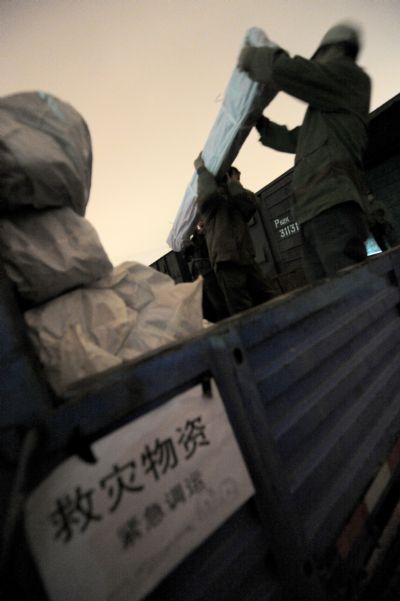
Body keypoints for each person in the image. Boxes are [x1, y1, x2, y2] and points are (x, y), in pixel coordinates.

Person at [238, 22, 372, 282]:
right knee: (327, 302)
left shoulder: (350, 78)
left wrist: (255, 57)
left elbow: (298, 74)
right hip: (313, 213)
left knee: (348, 301)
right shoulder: (327, 113)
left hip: (333, 207)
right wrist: (259, 122)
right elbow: (293, 140)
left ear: (334, 49)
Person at [194, 154, 276, 316]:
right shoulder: (211, 205)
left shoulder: (237, 198)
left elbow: (252, 204)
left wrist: (233, 185)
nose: (239, 180)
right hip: (226, 262)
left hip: (246, 258)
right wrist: (202, 170)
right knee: (242, 309)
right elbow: (207, 195)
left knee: (267, 298)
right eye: (237, 177)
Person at [182, 219, 229, 322]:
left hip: (208, 272)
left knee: (217, 301)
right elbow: (186, 257)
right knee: (207, 303)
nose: (200, 224)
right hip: (199, 275)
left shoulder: (207, 235)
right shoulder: (193, 239)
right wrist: (186, 243)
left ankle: (225, 322)